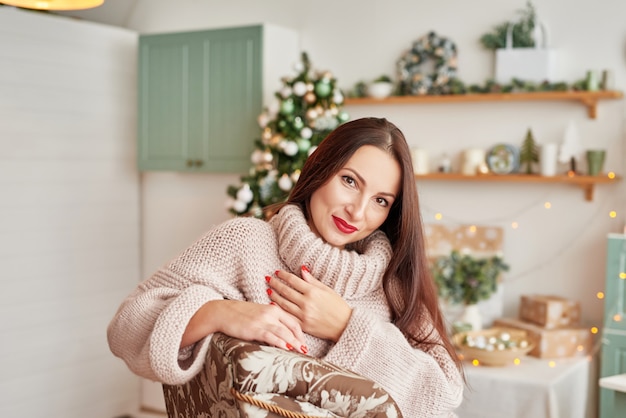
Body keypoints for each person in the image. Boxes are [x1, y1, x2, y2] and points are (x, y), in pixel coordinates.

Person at [107, 117, 464, 417]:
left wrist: (346, 326)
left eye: (381, 200)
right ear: (320, 169)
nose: (358, 211)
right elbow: (126, 326)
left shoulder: (392, 282)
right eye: (350, 181)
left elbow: (444, 396)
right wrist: (217, 312)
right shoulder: (245, 242)